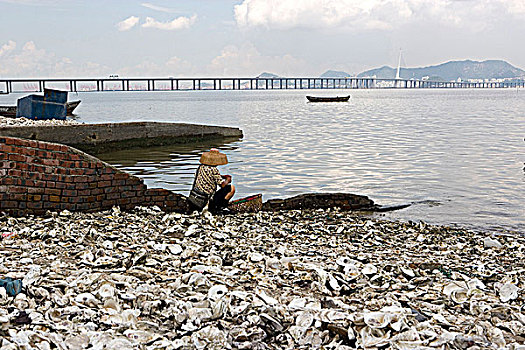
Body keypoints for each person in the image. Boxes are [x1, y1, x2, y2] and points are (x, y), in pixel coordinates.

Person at [190, 148, 235, 213]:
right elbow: (222, 185)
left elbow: (208, 176)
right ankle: (220, 207)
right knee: (231, 188)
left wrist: (222, 176)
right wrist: (227, 180)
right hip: (206, 198)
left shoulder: (201, 167)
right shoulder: (214, 170)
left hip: (195, 196)